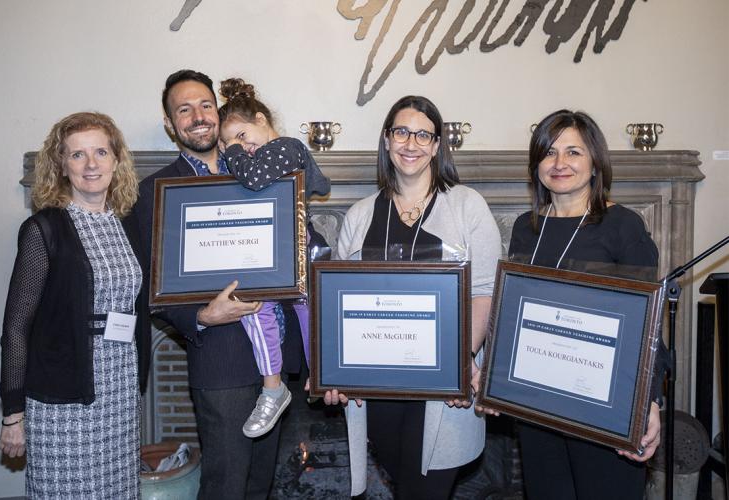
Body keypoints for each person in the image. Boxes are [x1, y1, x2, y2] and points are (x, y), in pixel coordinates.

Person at [326, 95, 502, 499]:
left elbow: (484, 292)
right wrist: (334, 373)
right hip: (377, 390)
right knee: (405, 486)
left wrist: (459, 364)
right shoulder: (360, 214)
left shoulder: (466, 206)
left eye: (424, 134)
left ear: (438, 146)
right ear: (387, 140)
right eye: (401, 131)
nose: (411, 143)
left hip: (442, 394)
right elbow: (338, 303)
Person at [132, 69, 295, 499]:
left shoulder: (256, 169)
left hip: (275, 360)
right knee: (226, 485)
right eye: (184, 109)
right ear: (171, 124)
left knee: (261, 485)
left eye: (206, 105)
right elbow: (149, 287)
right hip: (220, 359)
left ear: (218, 113)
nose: (198, 116)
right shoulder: (155, 192)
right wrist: (202, 316)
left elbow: (295, 237)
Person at [507, 109, 664, 500]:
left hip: (605, 408)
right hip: (538, 406)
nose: (560, 164)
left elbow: (648, 324)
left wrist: (650, 402)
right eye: (549, 153)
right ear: (536, 165)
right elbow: (513, 315)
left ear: (595, 163)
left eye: (573, 152)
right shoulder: (525, 229)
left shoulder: (622, 225)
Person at [0, 112, 151, 498]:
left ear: (117, 160)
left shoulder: (128, 223)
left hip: (121, 388)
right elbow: (16, 326)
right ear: (62, 166)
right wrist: (13, 413)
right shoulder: (44, 229)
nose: (92, 164)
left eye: (101, 151)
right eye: (78, 155)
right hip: (65, 396)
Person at [217, 77, 331, 439]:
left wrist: (230, 150)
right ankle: (273, 388)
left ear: (262, 120)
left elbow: (254, 177)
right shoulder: (252, 161)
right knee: (253, 309)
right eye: (232, 143)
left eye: (243, 136)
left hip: (296, 249)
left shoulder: (286, 147)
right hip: (260, 254)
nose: (242, 148)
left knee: (310, 308)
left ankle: (324, 371)